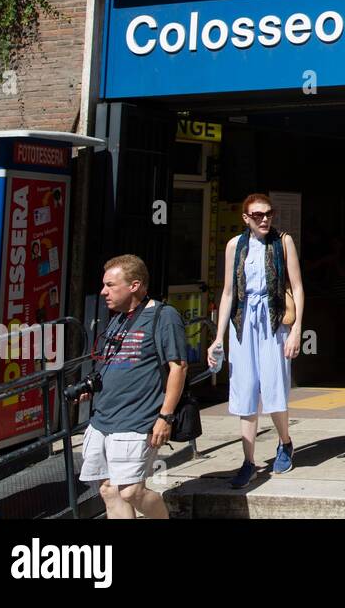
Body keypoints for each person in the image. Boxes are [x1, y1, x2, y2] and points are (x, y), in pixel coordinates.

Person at [79, 255, 187, 519]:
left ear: (134, 285)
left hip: (137, 421)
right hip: (102, 419)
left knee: (131, 491)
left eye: (110, 285)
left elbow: (179, 367)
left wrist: (165, 417)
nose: (103, 292)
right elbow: (116, 364)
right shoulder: (117, 318)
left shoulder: (164, 315)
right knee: (107, 490)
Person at [209, 193, 305, 488]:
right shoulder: (234, 246)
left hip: (274, 321)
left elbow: (297, 288)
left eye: (269, 214)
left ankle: (285, 442)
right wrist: (218, 337)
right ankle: (248, 461)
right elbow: (227, 292)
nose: (265, 219)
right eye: (257, 215)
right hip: (243, 322)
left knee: (275, 386)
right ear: (246, 218)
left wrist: (297, 329)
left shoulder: (283, 242)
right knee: (245, 390)